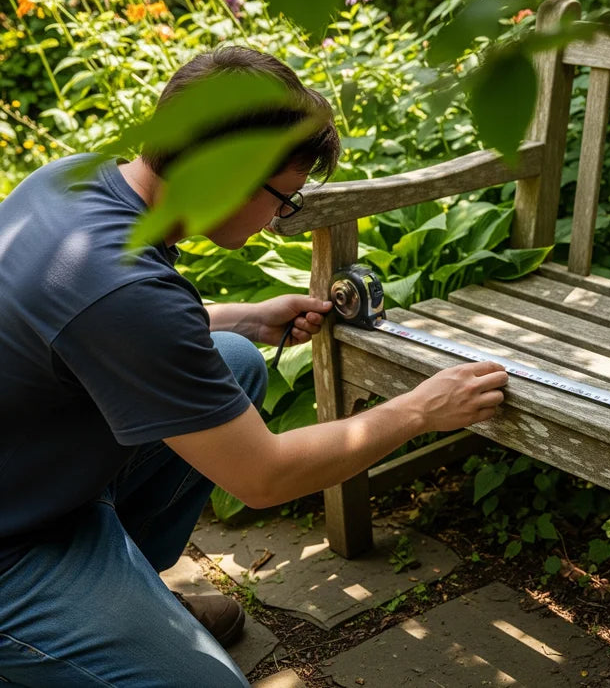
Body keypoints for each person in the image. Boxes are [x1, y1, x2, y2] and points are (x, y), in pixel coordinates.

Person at [0, 46, 508, 687]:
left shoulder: (74, 179)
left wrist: (241, 316)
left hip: (33, 473)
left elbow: (95, 326)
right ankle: (48, 645)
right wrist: (419, 411)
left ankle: (129, 594)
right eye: (283, 199)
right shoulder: (125, 293)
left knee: (235, 358)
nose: (277, 221)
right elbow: (264, 477)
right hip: (14, 548)